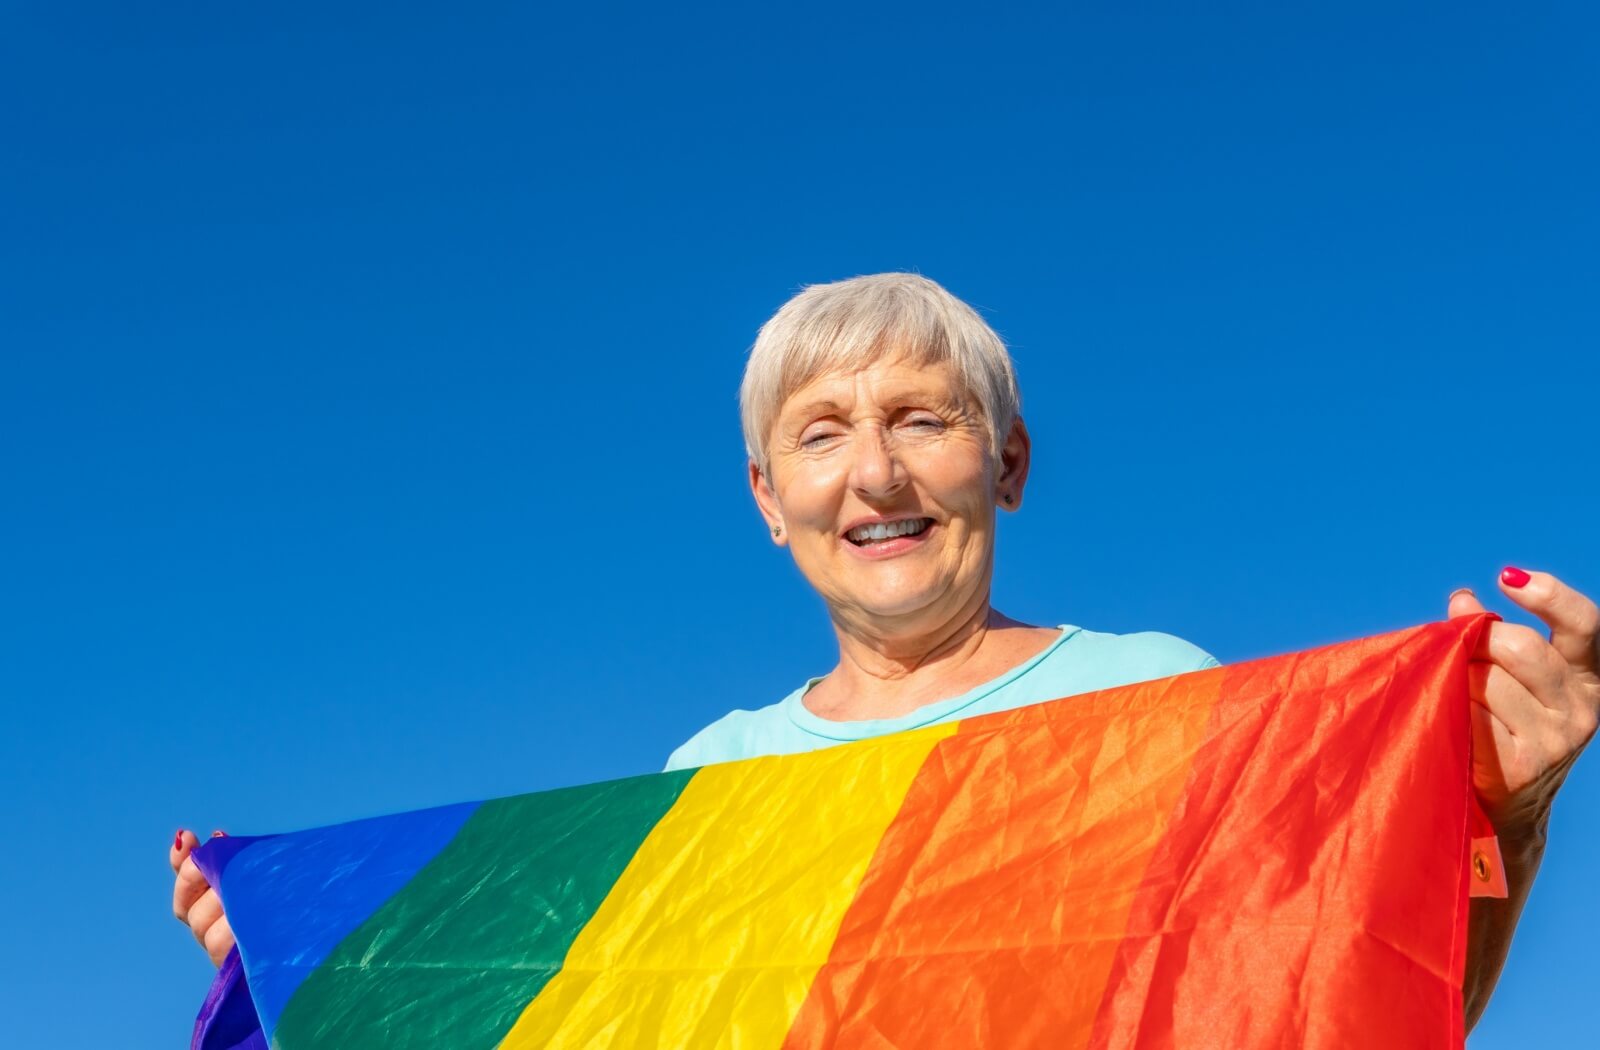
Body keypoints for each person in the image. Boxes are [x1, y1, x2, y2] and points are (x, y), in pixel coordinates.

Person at [172, 273, 1598, 1030]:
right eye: (822, 432)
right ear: (767, 502)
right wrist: (322, 954)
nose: (877, 473)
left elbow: (1331, 1006)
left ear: (1008, 462)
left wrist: (1514, 813)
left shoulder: (1159, 694)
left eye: (924, 418)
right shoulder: (714, 780)